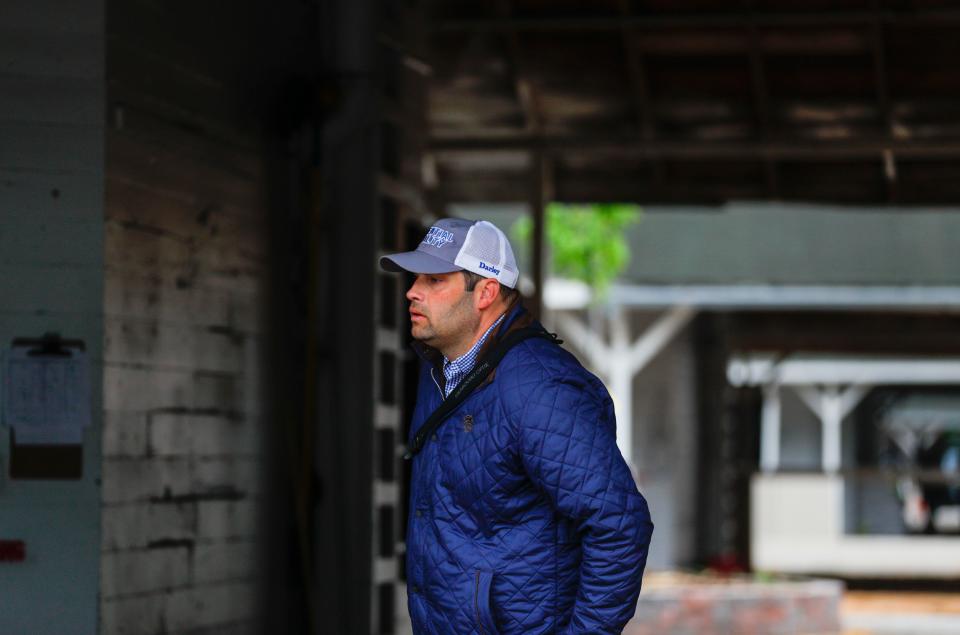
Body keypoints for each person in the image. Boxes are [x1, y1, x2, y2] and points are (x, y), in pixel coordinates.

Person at [380, 218, 653, 634]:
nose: (412, 292)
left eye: (435, 280)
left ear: (486, 292)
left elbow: (619, 524)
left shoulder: (540, 386)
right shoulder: (441, 371)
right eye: (416, 278)